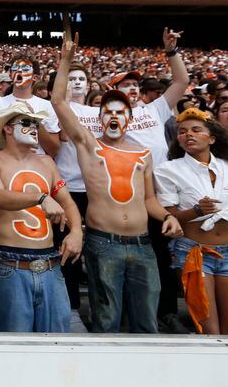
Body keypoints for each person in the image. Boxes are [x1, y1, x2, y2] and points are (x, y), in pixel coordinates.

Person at [51, 27, 182, 333]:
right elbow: (58, 101)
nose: (114, 116)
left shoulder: (142, 153)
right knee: (106, 321)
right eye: (107, 111)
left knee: (146, 322)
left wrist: (167, 217)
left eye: (120, 112)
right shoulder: (89, 145)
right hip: (104, 243)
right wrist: (66, 60)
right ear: (99, 118)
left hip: (143, 245)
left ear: (129, 118)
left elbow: (149, 199)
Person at [0, 102, 83, 332]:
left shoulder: (46, 162)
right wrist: (40, 198)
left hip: (50, 263)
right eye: (26, 122)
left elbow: (66, 201)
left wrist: (76, 231)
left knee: (57, 341)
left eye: (36, 123)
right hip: (11, 264)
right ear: (7, 128)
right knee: (14, 348)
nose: (34, 127)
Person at [154, 108, 228, 334]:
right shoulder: (167, 170)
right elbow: (170, 217)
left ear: (211, 138)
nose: (188, 134)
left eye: (195, 130)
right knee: (208, 329)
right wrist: (196, 210)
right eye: (182, 131)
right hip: (194, 253)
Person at [53, 62, 94, 330]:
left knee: (97, 254)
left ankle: (101, 308)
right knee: (68, 253)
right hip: (67, 189)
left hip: (96, 188)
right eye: (71, 78)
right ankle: (72, 309)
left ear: (89, 85)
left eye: (81, 79)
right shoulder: (55, 109)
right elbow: (65, 136)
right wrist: (64, 98)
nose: (76, 82)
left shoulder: (99, 111)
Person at [0, 56, 60, 157]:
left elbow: (54, 150)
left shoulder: (47, 106)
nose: (19, 72)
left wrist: (34, 120)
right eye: (15, 69)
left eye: (25, 69)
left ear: (35, 77)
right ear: (11, 75)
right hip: (5, 166)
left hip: (36, 165)